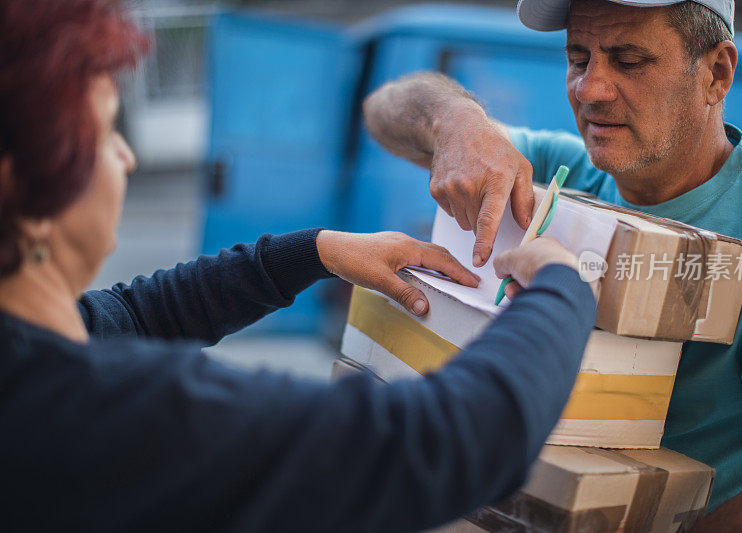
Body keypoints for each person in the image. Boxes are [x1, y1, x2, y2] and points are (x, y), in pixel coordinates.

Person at [0, 1, 597, 531]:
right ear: (22, 186)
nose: (126, 158)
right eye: (105, 133)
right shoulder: (93, 417)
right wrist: (560, 287)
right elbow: (449, 441)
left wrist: (316, 252)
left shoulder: (36, 349)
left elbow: (134, 314)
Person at [363, 0, 742, 529]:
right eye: (578, 58)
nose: (590, 89)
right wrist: (456, 122)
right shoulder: (550, 174)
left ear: (716, 73)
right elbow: (384, 108)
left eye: (630, 60)